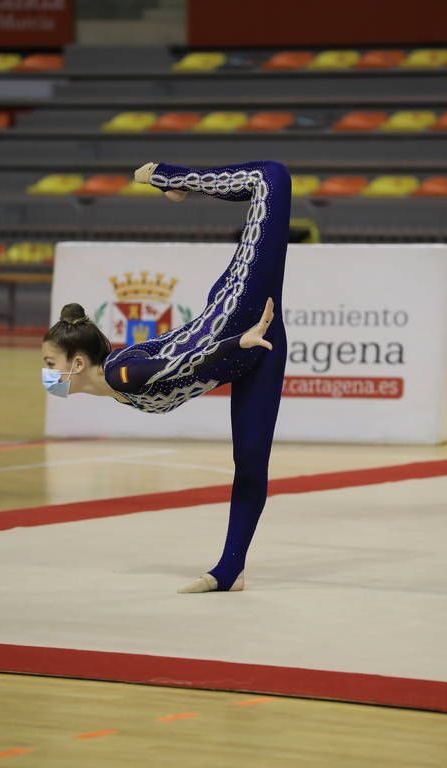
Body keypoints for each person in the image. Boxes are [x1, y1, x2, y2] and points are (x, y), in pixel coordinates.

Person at [42, 160, 292, 592]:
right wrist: (242, 348)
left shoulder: (120, 374)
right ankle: (230, 570)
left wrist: (237, 343)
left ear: (77, 364)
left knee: (271, 178)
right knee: (250, 463)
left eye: (50, 364)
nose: (46, 373)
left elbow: (178, 365)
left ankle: (167, 177)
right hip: (257, 345)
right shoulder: (114, 384)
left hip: (239, 317)